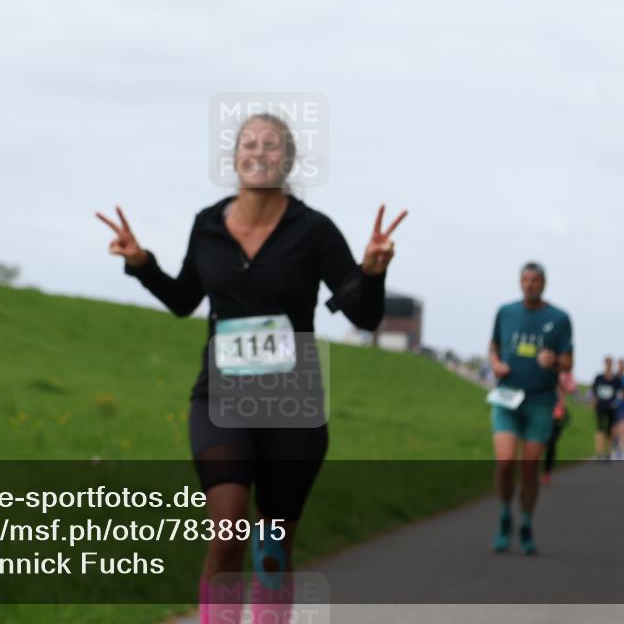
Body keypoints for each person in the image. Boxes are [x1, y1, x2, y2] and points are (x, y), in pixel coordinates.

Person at [98, 112, 407, 624]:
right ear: (235, 156)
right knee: (227, 535)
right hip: (221, 399)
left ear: (286, 160)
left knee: (271, 548)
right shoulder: (208, 224)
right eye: (249, 144)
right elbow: (182, 299)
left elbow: (363, 314)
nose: (258, 152)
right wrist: (141, 263)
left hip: (292, 405)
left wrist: (373, 273)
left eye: (271, 145)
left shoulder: (314, 231)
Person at [488, 262, 573, 555]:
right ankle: (503, 516)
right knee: (506, 462)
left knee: (529, 468)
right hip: (507, 397)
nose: (529, 285)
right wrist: (496, 364)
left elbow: (569, 362)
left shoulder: (559, 318)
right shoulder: (505, 312)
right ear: (519, 282)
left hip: (540, 400)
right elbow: (493, 347)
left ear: (544, 283)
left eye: (535, 280)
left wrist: (556, 363)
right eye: (525, 279)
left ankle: (525, 523)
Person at [542, 369, 576, 486]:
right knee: (538, 441)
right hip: (540, 408)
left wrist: (562, 383)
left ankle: (547, 473)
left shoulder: (565, 370)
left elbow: (572, 388)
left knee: (551, 442)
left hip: (558, 411)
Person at [590, 357, 622, 461]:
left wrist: (617, 402)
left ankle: (608, 452)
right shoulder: (599, 377)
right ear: (604, 364)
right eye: (606, 363)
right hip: (600, 406)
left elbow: (620, 393)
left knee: (609, 430)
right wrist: (593, 400)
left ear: (612, 365)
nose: (608, 365)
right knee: (600, 428)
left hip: (611, 407)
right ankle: (599, 452)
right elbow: (593, 390)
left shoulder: (616, 380)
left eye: (610, 364)